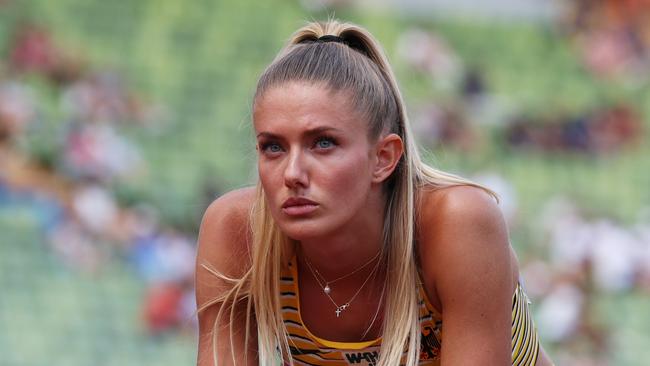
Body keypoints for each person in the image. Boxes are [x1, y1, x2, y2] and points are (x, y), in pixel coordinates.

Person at [195, 20, 554, 366]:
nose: (292, 174)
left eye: (323, 143)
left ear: (384, 158)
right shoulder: (237, 231)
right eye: (273, 147)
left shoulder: (458, 221)